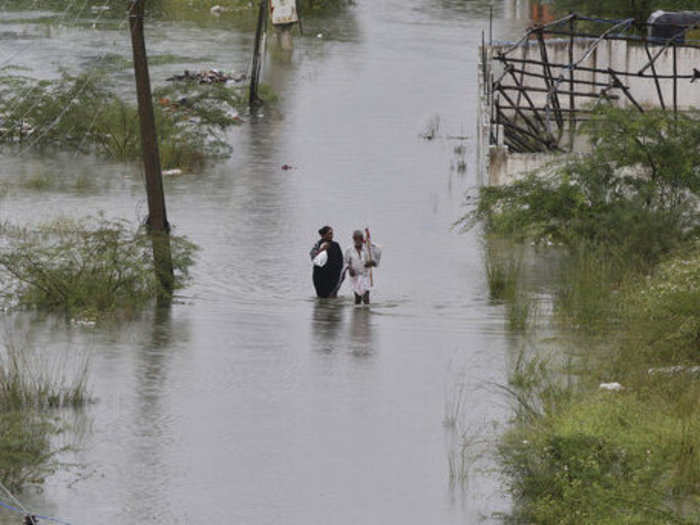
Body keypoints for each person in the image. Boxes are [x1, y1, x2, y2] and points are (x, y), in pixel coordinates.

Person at [344, 230, 381, 305]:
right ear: (353, 238)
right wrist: (350, 268)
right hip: (355, 277)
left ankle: (367, 313)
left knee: (366, 297)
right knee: (357, 298)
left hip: (365, 276)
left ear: (362, 239)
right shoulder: (349, 250)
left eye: (360, 238)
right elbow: (345, 263)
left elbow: (376, 259)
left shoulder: (367, 249)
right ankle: (356, 314)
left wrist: (371, 263)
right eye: (356, 238)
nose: (358, 240)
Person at [309, 226, 344, 298]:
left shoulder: (336, 245)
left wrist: (339, 273)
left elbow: (341, 260)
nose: (331, 235)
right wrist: (321, 250)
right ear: (323, 235)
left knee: (332, 296)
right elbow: (313, 257)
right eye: (329, 234)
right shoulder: (318, 244)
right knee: (321, 297)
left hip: (334, 276)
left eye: (332, 234)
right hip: (320, 276)